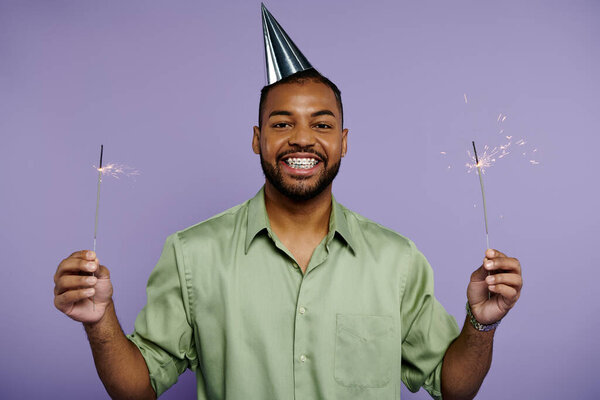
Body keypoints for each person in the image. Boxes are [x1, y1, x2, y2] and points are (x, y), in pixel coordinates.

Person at [53, 5, 522, 400]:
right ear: (257, 139)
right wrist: (100, 322)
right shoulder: (191, 254)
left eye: (320, 125)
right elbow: (138, 387)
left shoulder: (397, 260)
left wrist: (481, 325)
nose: (302, 139)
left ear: (343, 141)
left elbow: (452, 386)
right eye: (281, 124)